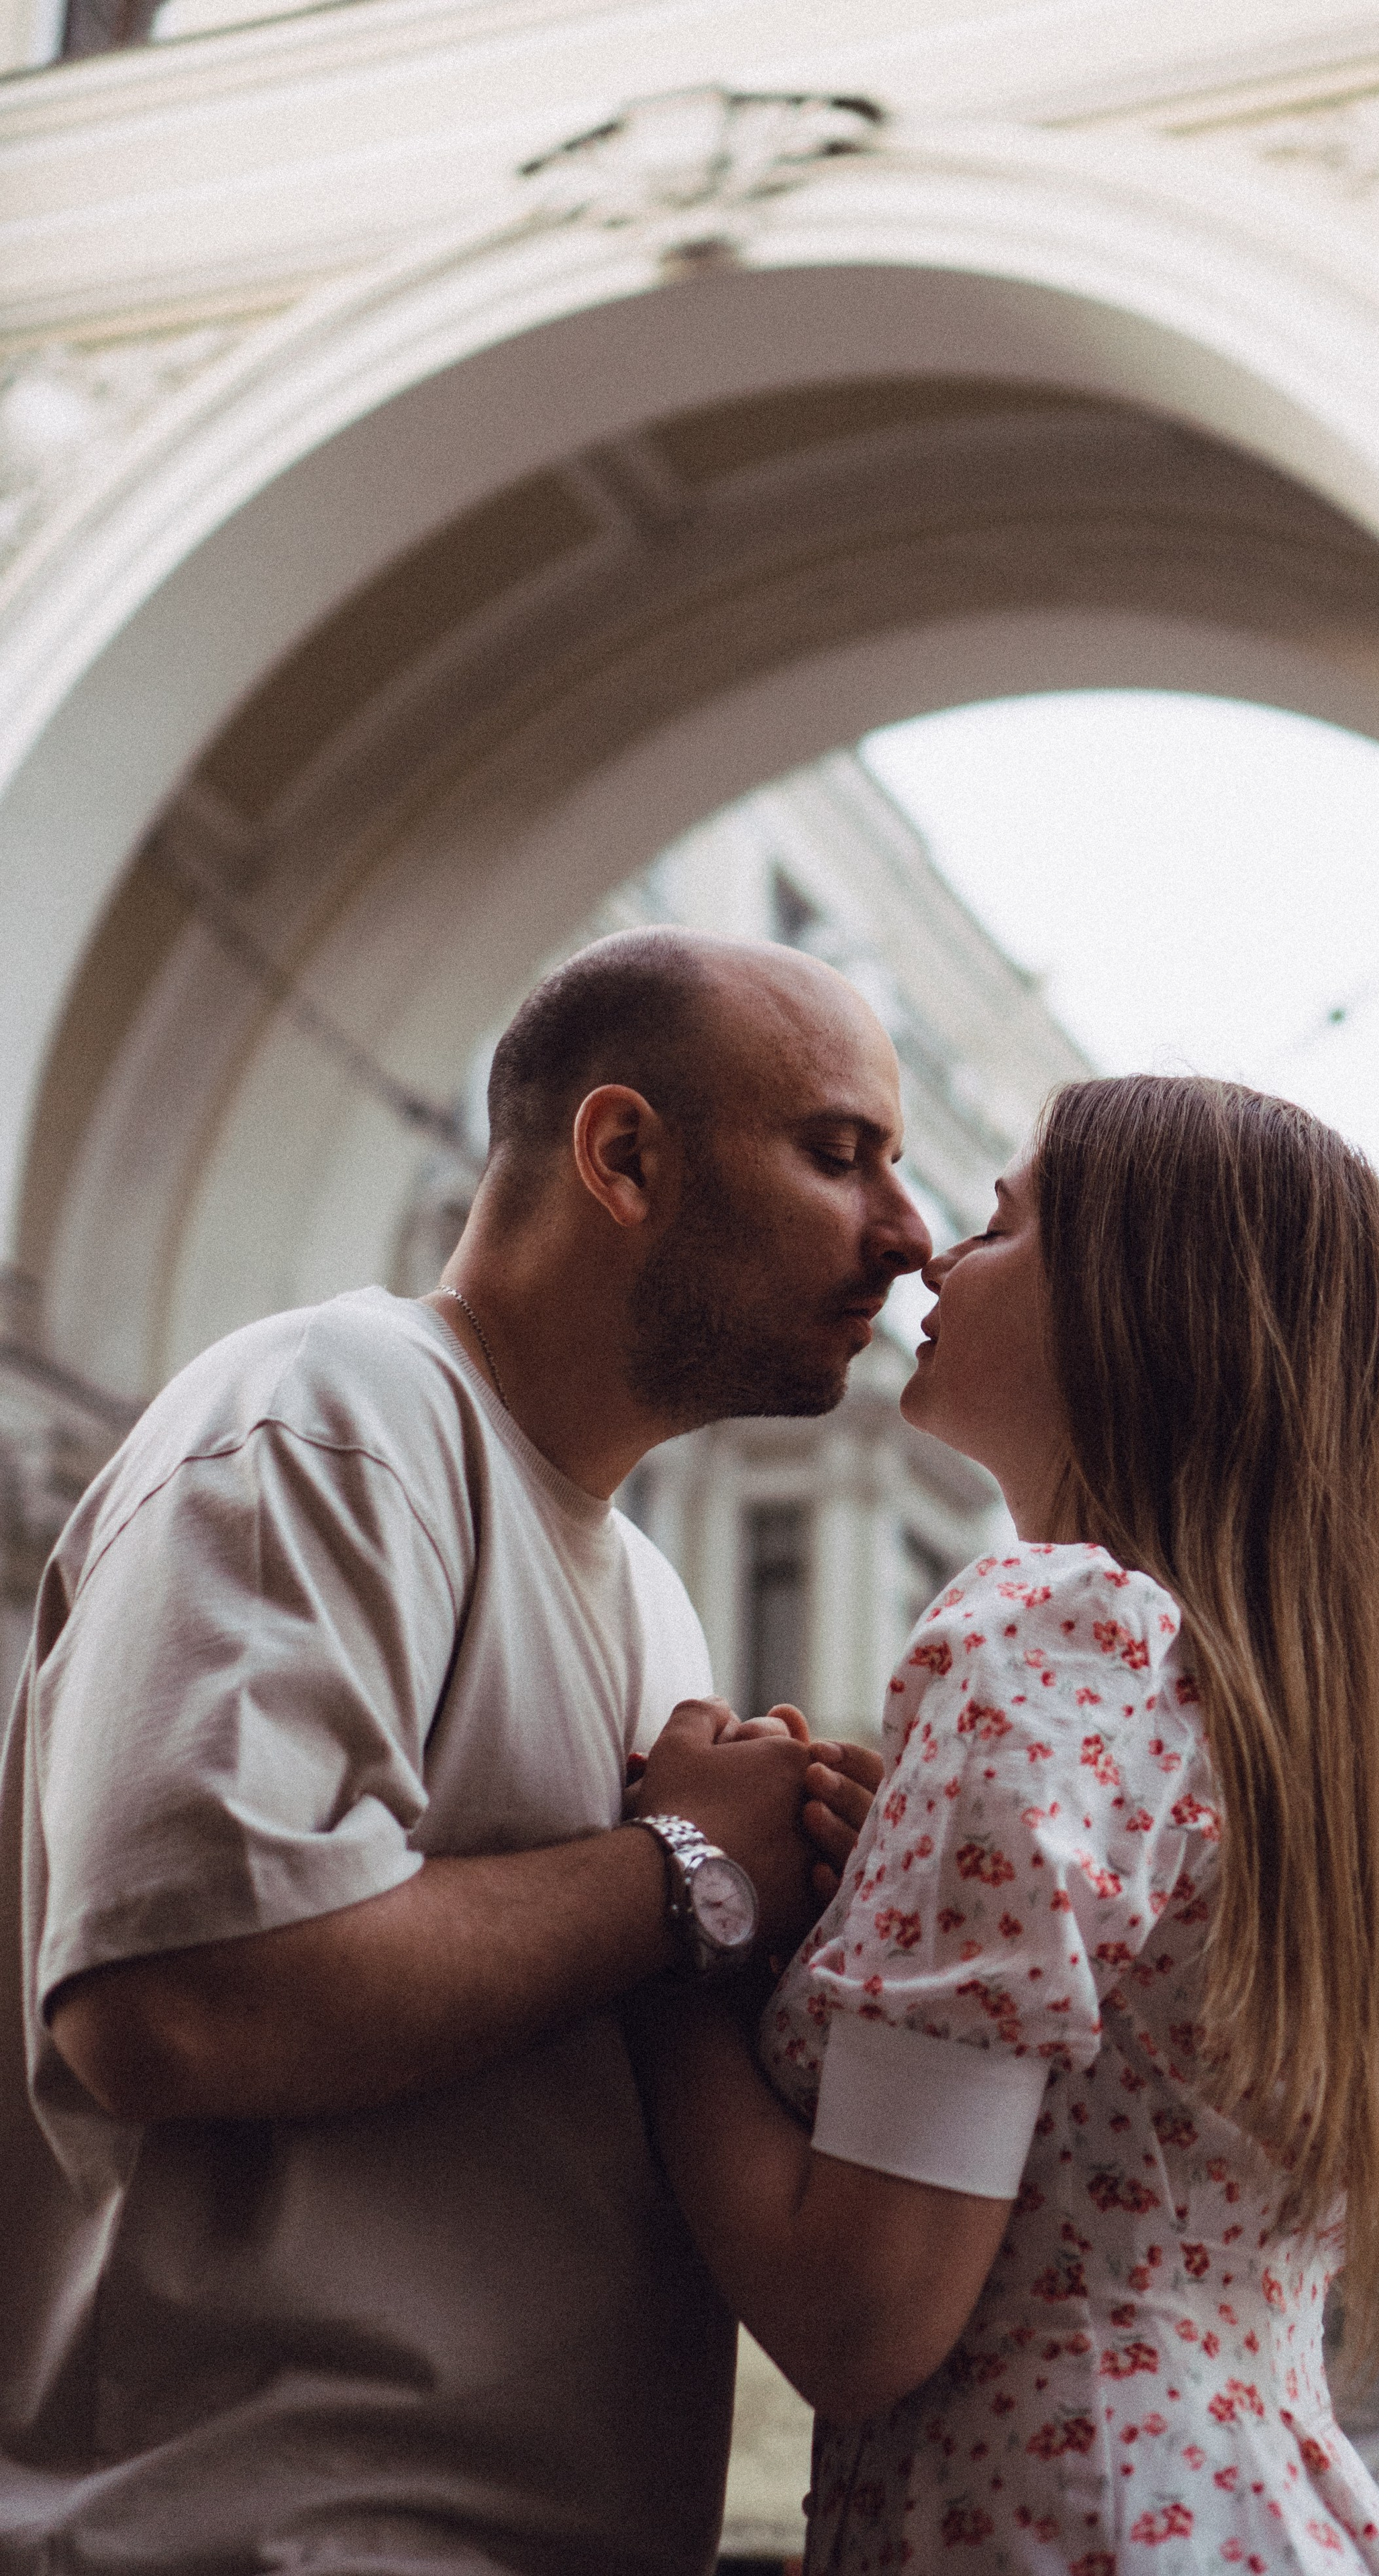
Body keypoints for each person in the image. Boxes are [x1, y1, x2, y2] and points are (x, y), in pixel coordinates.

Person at [0, 926, 930, 2574]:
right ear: (624, 1154)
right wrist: (693, 1868)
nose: (907, 1233)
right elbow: (175, 1998)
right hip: (265, 2531)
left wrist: (797, 1892)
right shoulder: (328, 1413)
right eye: (835, 1153)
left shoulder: (648, 1592)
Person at [633, 1072, 1379, 2575]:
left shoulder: (1049, 1626)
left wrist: (679, 1908)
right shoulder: (1262, 1710)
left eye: (1002, 1227)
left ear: (1140, 1305)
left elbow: (861, 2314)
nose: (934, 1258)